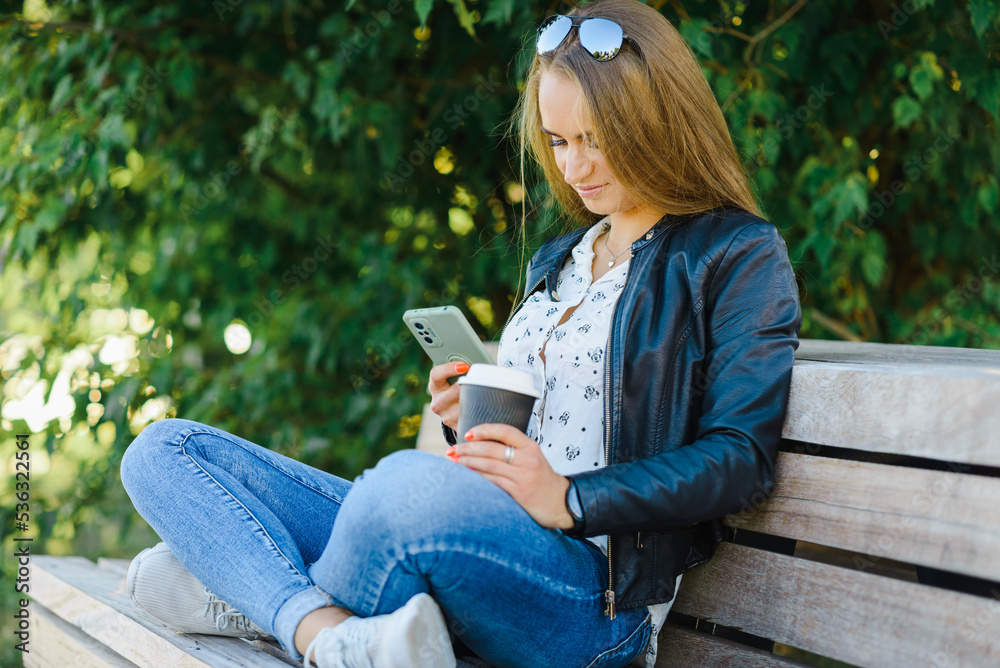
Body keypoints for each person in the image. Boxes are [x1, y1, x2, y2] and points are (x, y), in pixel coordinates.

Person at [119, 1, 801, 667]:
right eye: (558, 142)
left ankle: (264, 601)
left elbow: (740, 457)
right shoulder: (562, 256)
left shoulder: (734, 254)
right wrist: (463, 421)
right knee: (164, 450)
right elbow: (543, 424)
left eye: (596, 139)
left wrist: (569, 497)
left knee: (392, 493)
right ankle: (326, 636)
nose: (573, 168)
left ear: (656, 120)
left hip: (593, 598)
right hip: (475, 535)